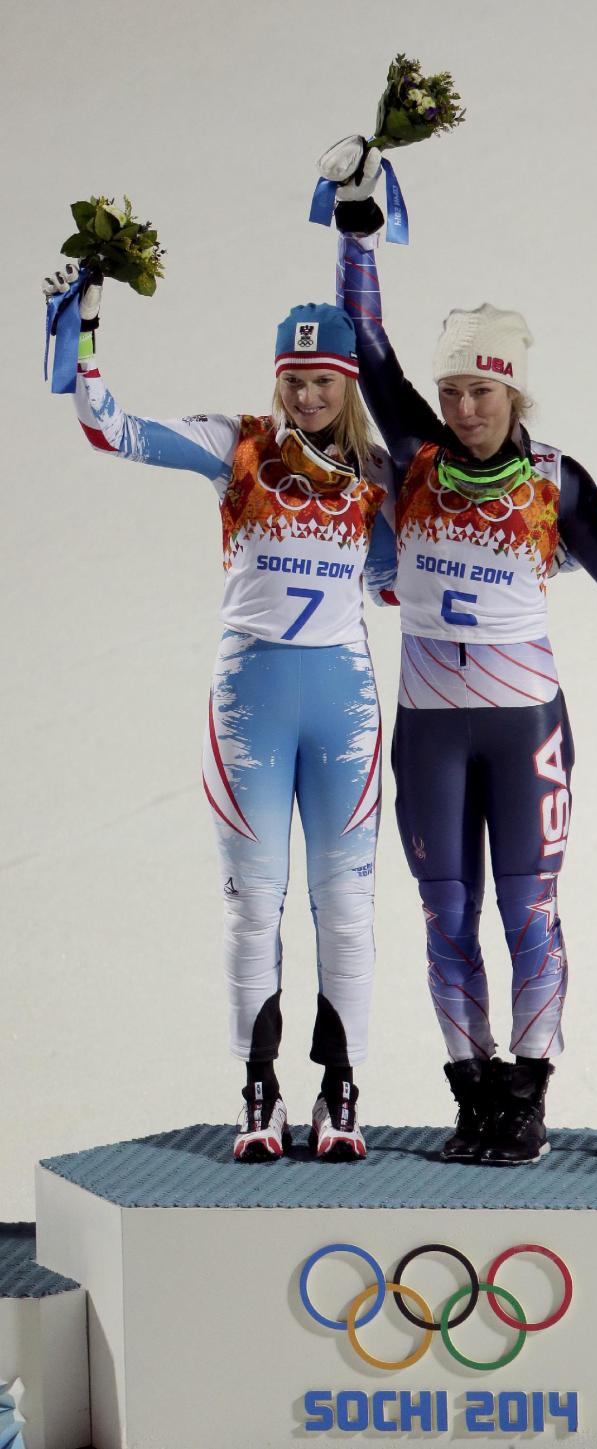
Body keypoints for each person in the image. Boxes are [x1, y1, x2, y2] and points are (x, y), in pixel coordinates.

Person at [43, 262, 396, 1163]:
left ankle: (341, 1089)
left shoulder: (378, 473)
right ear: (276, 379)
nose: (308, 393)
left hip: (343, 704)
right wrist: (82, 327)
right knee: (252, 905)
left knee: (345, 907)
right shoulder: (237, 444)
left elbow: (420, 577)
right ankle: (259, 1089)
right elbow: (109, 430)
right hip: (250, 703)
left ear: (346, 386)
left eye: (324, 380)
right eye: (294, 378)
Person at [317, 136, 597, 1165]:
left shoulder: (557, 476)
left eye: (482, 394)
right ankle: (473, 1089)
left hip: (526, 722)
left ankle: (530, 1092)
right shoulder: (414, 451)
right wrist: (358, 231)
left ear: (514, 395)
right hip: (432, 732)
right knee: (446, 911)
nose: (462, 408)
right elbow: (366, 350)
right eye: (452, 393)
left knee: (531, 907)